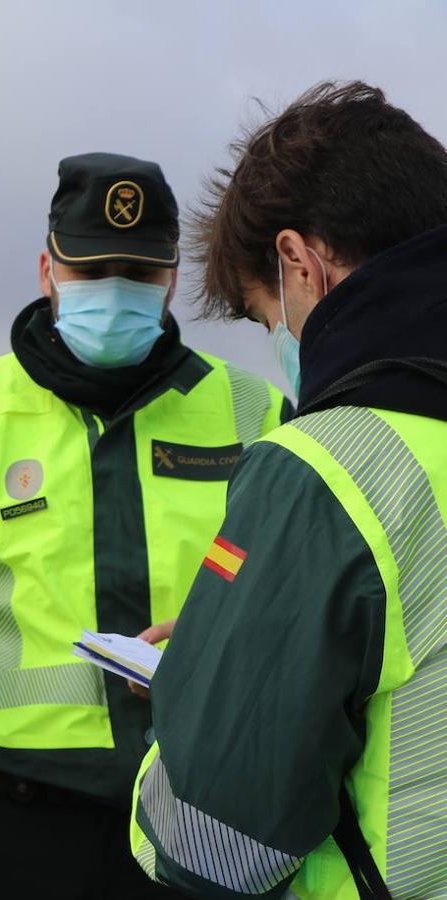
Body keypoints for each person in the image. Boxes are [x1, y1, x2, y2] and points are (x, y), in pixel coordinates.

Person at [0, 153, 290, 899]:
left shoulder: (257, 414)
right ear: (47, 271)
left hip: (206, 817)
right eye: (91, 270)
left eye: (138, 274)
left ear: (171, 277)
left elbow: (301, 611)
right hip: (10, 830)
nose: (116, 291)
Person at [130, 82, 447, 899]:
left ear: (300, 263)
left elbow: (216, 841)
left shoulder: (325, 468)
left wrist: (204, 683)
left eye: (264, 311)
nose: (281, 340)